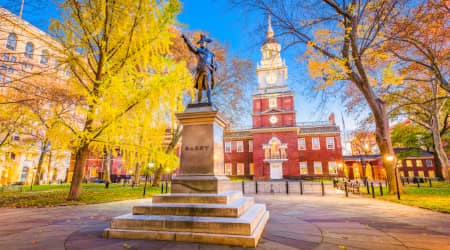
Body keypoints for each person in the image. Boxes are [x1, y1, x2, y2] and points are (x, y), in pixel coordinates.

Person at [181, 33, 217, 104]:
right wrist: (186, 39)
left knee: (208, 85)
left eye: (202, 42)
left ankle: (210, 100)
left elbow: (215, 64)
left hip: (207, 70)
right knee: (199, 87)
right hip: (199, 71)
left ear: (206, 43)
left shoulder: (211, 54)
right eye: (200, 42)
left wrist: (214, 66)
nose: (201, 43)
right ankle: (199, 102)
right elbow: (191, 46)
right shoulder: (197, 51)